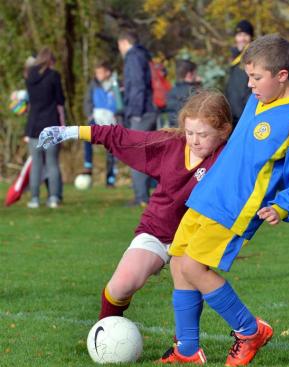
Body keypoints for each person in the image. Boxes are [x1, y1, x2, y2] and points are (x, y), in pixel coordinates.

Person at [157, 34, 289, 367]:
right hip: (208, 195)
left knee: (193, 266)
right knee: (178, 263)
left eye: (256, 77)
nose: (250, 84)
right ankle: (187, 350)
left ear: (282, 75)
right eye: (249, 76)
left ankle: (249, 329)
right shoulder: (257, 102)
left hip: (236, 207)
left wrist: (285, 205)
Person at [36, 90, 233, 320]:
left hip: (193, 239)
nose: (195, 140)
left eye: (202, 134)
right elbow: (121, 137)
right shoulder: (170, 144)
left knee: (188, 281)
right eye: (189, 132)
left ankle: (186, 347)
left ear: (224, 131)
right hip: (158, 230)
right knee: (121, 285)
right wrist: (70, 131)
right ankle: (106, 332)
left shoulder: (229, 157)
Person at [117, 30, 157, 206]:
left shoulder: (132, 57)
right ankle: (146, 194)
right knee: (149, 154)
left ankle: (141, 196)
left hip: (140, 112)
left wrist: (134, 112)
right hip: (150, 109)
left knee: (137, 154)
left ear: (124, 42)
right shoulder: (144, 55)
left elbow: (138, 86)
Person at [25, 47, 65, 208]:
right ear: (50, 61)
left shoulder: (29, 77)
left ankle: (34, 198)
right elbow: (60, 99)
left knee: (36, 164)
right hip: (50, 123)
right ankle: (53, 197)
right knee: (51, 162)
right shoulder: (54, 76)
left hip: (33, 124)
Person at [83, 61, 121, 187]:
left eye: (100, 72)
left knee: (111, 148)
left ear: (108, 72)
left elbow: (120, 104)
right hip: (96, 117)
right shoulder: (93, 85)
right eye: (96, 72)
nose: (97, 75)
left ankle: (110, 179)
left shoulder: (116, 85)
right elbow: (87, 101)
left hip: (111, 120)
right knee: (86, 135)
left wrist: (118, 118)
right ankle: (88, 165)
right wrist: (90, 115)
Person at [225, 19, 254, 129]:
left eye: (245, 35)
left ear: (251, 37)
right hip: (234, 117)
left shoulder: (252, 57)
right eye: (239, 35)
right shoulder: (235, 59)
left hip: (245, 117)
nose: (242, 39)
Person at [167, 59, 201, 127]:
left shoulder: (172, 91)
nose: (197, 75)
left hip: (174, 128)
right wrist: (198, 85)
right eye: (195, 73)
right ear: (189, 74)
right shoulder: (193, 92)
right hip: (187, 131)